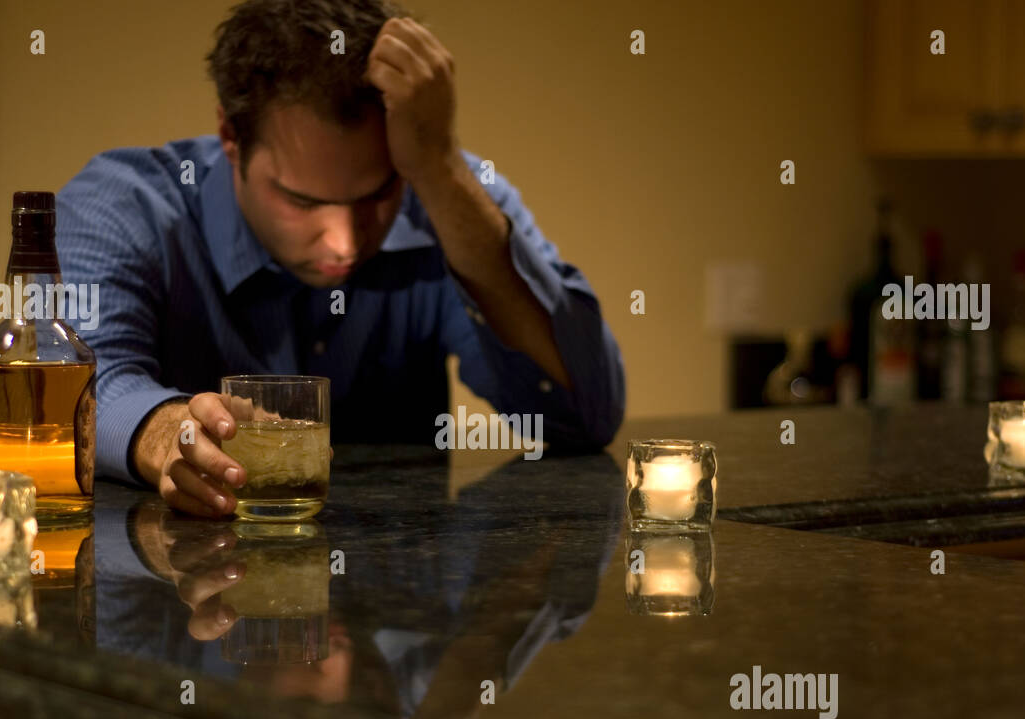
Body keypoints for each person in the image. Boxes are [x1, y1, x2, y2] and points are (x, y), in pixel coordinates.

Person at [56, 0, 625, 518]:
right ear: (231, 138)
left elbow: (582, 417)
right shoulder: (125, 205)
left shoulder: (444, 192)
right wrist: (164, 431)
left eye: (378, 195)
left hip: (401, 599)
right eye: (303, 201)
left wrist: (440, 167)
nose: (344, 243)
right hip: (186, 605)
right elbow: (77, 385)